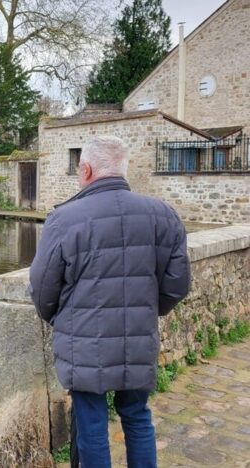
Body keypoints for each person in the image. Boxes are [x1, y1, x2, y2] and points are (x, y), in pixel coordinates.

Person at [29, 136, 190, 467]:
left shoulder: (64, 220)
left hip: (85, 342)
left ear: (86, 169)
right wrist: (145, 312)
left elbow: (42, 287)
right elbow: (177, 285)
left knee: (92, 426)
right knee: (137, 416)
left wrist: (59, 319)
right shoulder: (164, 215)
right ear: (123, 168)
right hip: (139, 339)